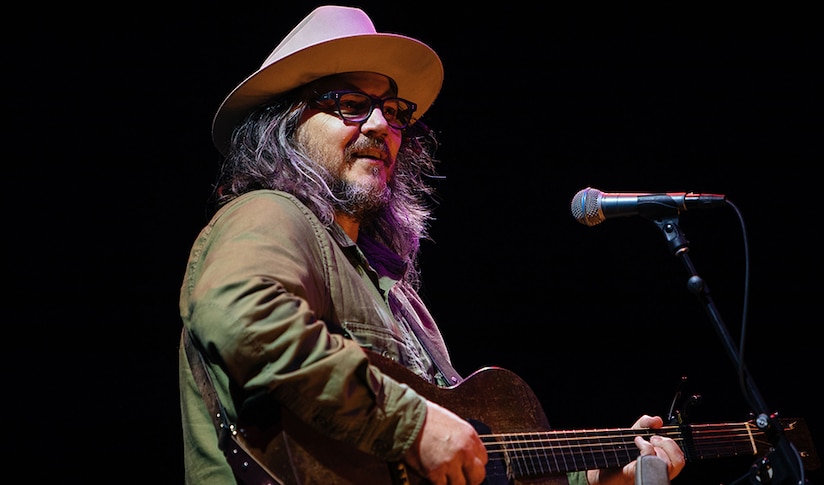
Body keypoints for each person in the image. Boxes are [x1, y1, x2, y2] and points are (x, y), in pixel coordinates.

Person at [178, 5, 686, 485]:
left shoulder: (398, 295)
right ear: (284, 124)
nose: (381, 126)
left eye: (394, 111)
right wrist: (412, 424)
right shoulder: (272, 212)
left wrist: (601, 474)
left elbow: (473, 455)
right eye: (351, 105)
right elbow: (239, 315)